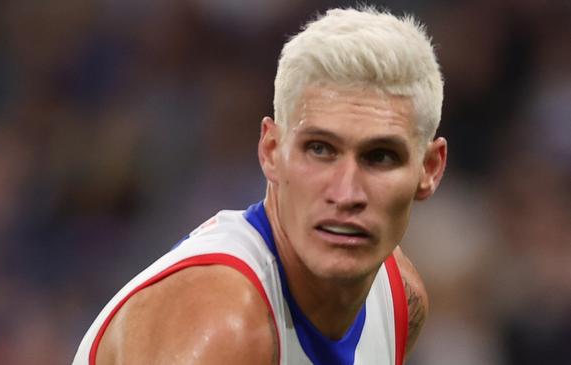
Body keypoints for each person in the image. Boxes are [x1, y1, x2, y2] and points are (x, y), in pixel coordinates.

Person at [73, 6, 446, 365]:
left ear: (429, 169)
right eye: (320, 149)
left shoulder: (400, 299)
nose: (346, 193)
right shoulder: (219, 327)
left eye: (380, 156)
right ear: (270, 151)